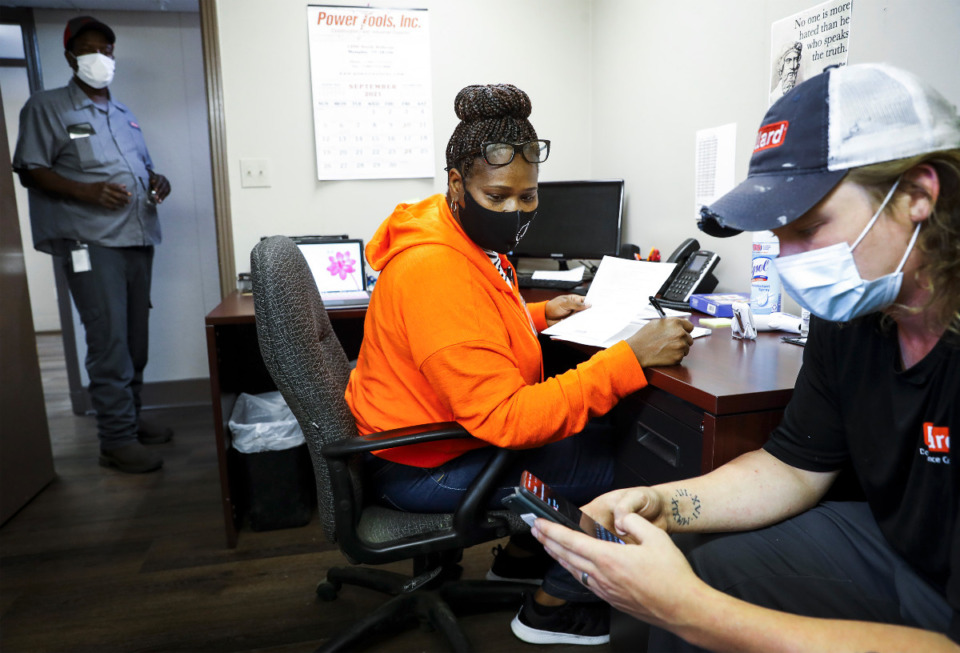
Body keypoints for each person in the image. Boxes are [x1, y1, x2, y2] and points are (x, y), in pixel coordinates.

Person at [531, 63, 960, 651]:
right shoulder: (854, 316)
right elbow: (793, 467)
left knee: (691, 603)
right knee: (701, 566)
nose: (790, 260)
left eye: (808, 226)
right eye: (778, 235)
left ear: (917, 195)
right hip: (901, 549)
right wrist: (666, 503)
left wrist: (692, 612)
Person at [345, 83, 695, 645]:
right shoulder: (433, 270)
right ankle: (555, 605)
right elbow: (506, 418)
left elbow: (469, 322)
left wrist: (534, 314)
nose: (515, 210)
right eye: (499, 196)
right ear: (457, 183)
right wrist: (630, 358)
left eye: (528, 197)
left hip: (431, 437)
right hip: (426, 463)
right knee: (631, 467)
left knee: (601, 430)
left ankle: (518, 559)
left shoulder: (449, 230)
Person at [13, 16, 173, 474]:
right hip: (91, 241)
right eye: (89, 50)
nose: (100, 58)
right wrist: (87, 192)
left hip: (137, 236)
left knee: (135, 340)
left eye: (106, 49)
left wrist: (156, 181)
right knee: (109, 340)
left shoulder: (124, 115)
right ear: (69, 57)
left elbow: (142, 168)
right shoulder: (47, 108)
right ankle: (115, 440)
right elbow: (29, 168)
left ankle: (132, 418)